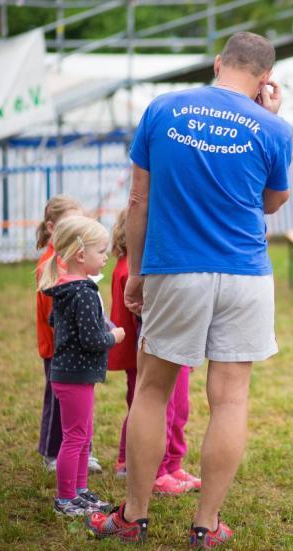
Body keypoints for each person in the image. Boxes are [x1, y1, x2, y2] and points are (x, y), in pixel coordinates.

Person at [86, 31, 292, 549]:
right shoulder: (273, 127)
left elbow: (138, 198)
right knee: (230, 401)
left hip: (175, 268)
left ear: (218, 64)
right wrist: (272, 114)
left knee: (153, 389)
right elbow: (272, 203)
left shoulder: (163, 108)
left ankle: (133, 517)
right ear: (266, 80)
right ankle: (206, 524)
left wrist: (134, 272)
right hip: (246, 273)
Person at [107, 208, 201, 494]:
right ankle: (151, 469)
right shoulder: (131, 271)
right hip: (151, 353)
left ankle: (172, 464)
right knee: (157, 409)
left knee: (178, 408)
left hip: (175, 346)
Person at [38, 215, 125, 516]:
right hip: (75, 375)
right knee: (75, 437)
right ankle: (65, 499)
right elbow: (91, 339)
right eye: (101, 251)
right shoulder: (84, 291)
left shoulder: (65, 287)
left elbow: (57, 322)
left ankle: (80, 491)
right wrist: (112, 335)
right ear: (80, 254)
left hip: (70, 373)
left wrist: (98, 324)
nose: (105, 257)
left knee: (82, 435)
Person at [34, 195, 101, 475]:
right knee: (58, 401)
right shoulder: (50, 265)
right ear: (52, 227)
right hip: (59, 349)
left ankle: (82, 449)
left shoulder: (70, 261)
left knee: (79, 403)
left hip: (74, 348)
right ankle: (52, 451)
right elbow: (56, 316)